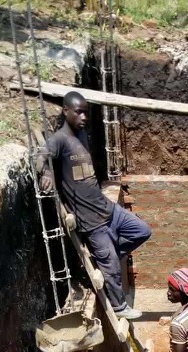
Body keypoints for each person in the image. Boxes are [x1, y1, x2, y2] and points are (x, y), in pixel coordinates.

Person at [36, 90, 151, 321]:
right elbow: (41, 156)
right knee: (113, 269)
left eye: (86, 112)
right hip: (91, 223)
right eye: (79, 112)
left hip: (108, 209)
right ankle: (119, 306)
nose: (84, 117)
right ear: (65, 111)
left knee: (142, 231)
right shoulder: (60, 140)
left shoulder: (83, 136)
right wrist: (46, 173)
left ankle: (107, 259)